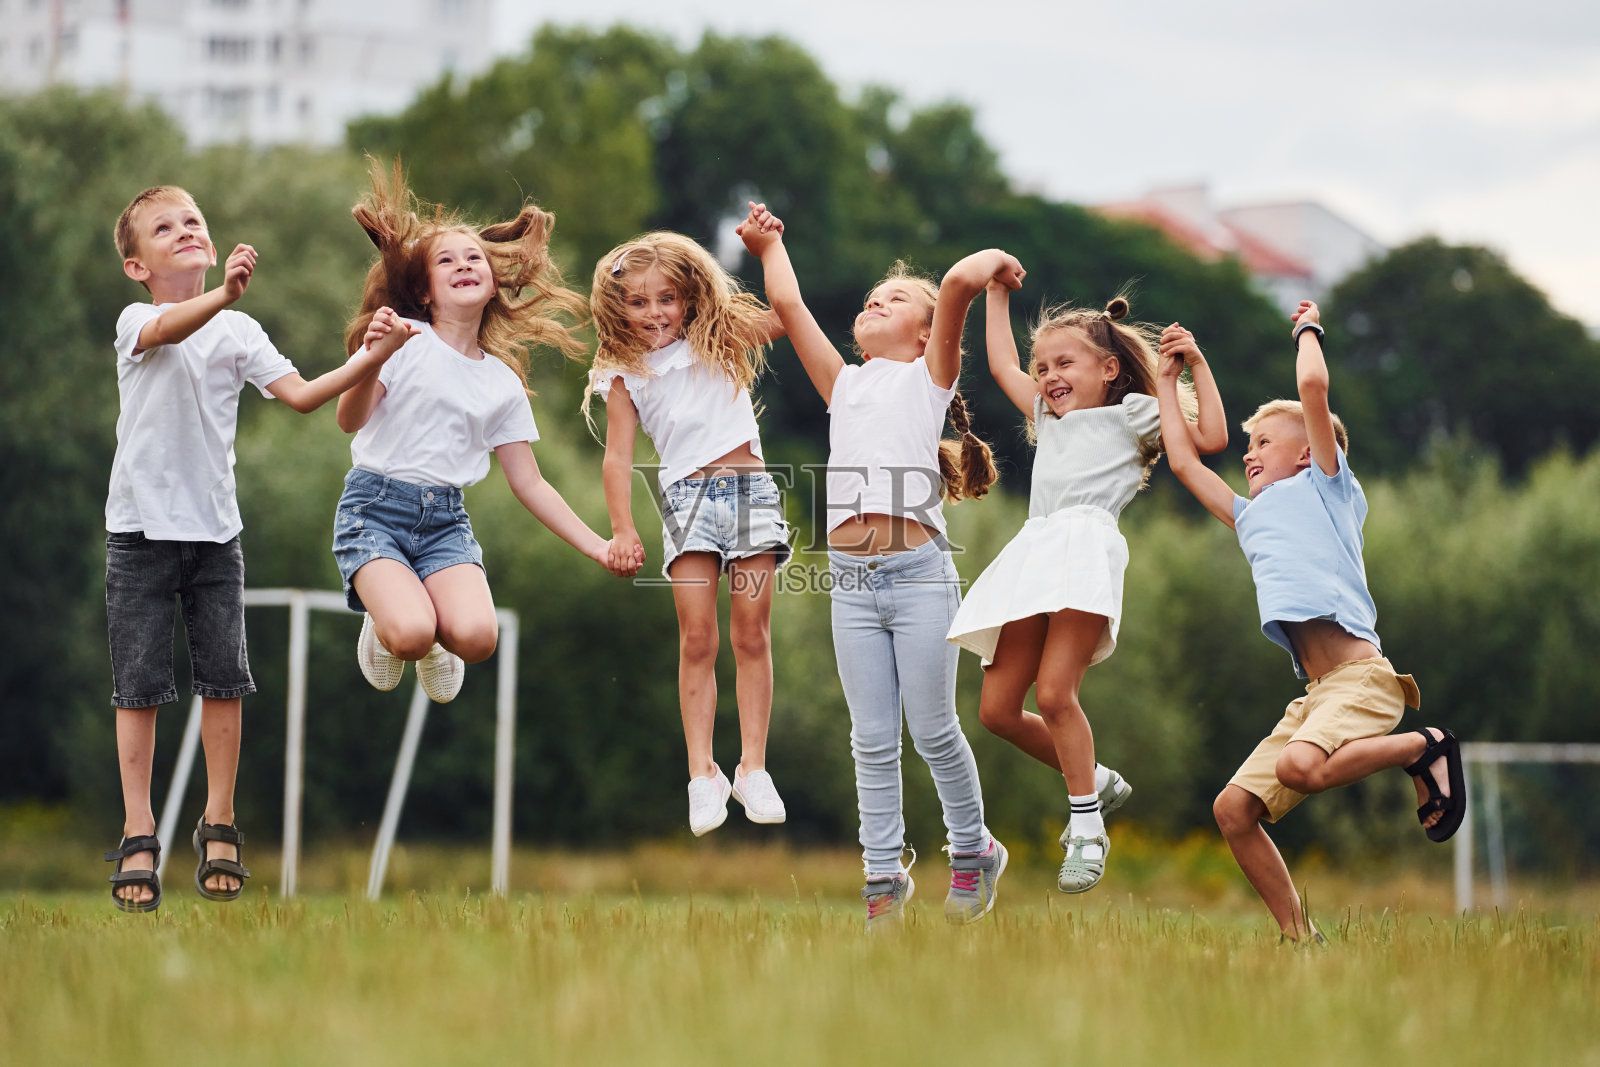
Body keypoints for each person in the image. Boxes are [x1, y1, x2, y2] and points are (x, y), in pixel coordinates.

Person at [105, 185, 390, 912]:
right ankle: (139, 827)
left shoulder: (238, 332)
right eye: (164, 228)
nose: (185, 230)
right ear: (138, 266)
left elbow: (300, 396)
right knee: (139, 683)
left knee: (225, 677)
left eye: (193, 219)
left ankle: (219, 816)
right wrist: (225, 294)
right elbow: (170, 330)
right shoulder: (138, 319)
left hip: (215, 532)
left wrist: (372, 356)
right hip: (139, 530)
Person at [1155, 301, 1465, 942]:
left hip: (1362, 680)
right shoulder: (1250, 516)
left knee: (1298, 768)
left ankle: (1424, 746)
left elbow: (1313, 386)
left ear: (1308, 455)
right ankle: (1304, 941)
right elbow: (1186, 463)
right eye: (1247, 446)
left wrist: (1307, 329)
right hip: (1318, 695)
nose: (1249, 454)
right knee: (1233, 810)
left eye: (1263, 442)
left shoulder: (1327, 487)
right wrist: (1172, 378)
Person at [740, 202, 1009, 929]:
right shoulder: (845, 385)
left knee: (932, 728)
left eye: (891, 301)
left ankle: (972, 851)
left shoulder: (928, 379)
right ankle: (882, 877)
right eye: (869, 298)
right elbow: (790, 306)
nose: (872, 303)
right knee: (870, 738)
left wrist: (989, 266)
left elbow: (954, 287)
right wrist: (770, 245)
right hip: (852, 586)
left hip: (919, 578)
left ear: (924, 335)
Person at [948, 290, 1228, 894]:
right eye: (1043, 367)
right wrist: (995, 292)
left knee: (1054, 693)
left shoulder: (1135, 414)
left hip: (1084, 548)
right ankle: (1093, 776)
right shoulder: (1048, 418)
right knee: (996, 710)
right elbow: (1000, 364)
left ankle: (1086, 826)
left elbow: (1210, 439)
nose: (1049, 377)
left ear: (1107, 368)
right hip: (1034, 551)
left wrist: (1194, 366)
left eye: (1063, 364)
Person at [334, 162, 639, 710]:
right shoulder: (403, 340)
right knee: (410, 633)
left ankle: (427, 629)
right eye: (446, 260)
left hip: (445, 521)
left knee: (477, 639)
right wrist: (371, 360)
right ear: (425, 292)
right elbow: (348, 420)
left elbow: (531, 483)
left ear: (492, 280)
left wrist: (598, 546)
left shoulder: (502, 382)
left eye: (474, 257)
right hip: (375, 508)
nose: (464, 264)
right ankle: (391, 623)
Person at [585, 232, 792, 835]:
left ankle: (753, 767)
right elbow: (618, 457)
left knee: (751, 632)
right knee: (698, 638)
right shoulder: (624, 370)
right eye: (638, 302)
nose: (654, 314)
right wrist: (621, 528)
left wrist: (768, 248)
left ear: (690, 296)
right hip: (687, 500)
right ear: (617, 307)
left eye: (667, 298)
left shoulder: (720, 338)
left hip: (751, 491)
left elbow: (786, 314)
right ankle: (703, 775)